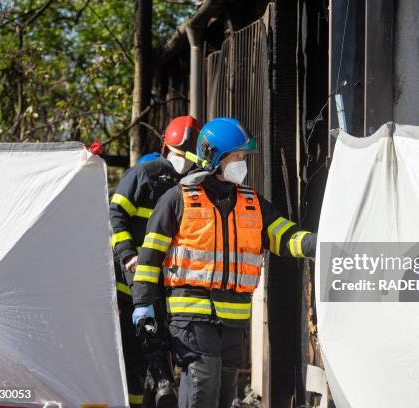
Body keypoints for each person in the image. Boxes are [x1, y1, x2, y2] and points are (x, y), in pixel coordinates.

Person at [131, 117, 317, 408]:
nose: (242, 162)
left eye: (244, 156)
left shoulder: (252, 203)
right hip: (191, 317)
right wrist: (143, 304)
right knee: (201, 386)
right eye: (236, 156)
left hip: (233, 320)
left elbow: (283, 235)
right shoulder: (177, 200)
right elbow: (149, 257)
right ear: (214, 157)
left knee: (222, 394)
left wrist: (315, 244)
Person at [110, 115, 201, 407]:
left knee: (157, 339)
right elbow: (116, 214)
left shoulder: (194, 184)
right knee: (140, 344)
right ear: (167, 149)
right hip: (133, 278)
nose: (184, 159)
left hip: (169, 281)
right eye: (179, 152)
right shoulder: (144, 174)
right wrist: (128, 255)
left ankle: (158, 388)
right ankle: (155, 387)